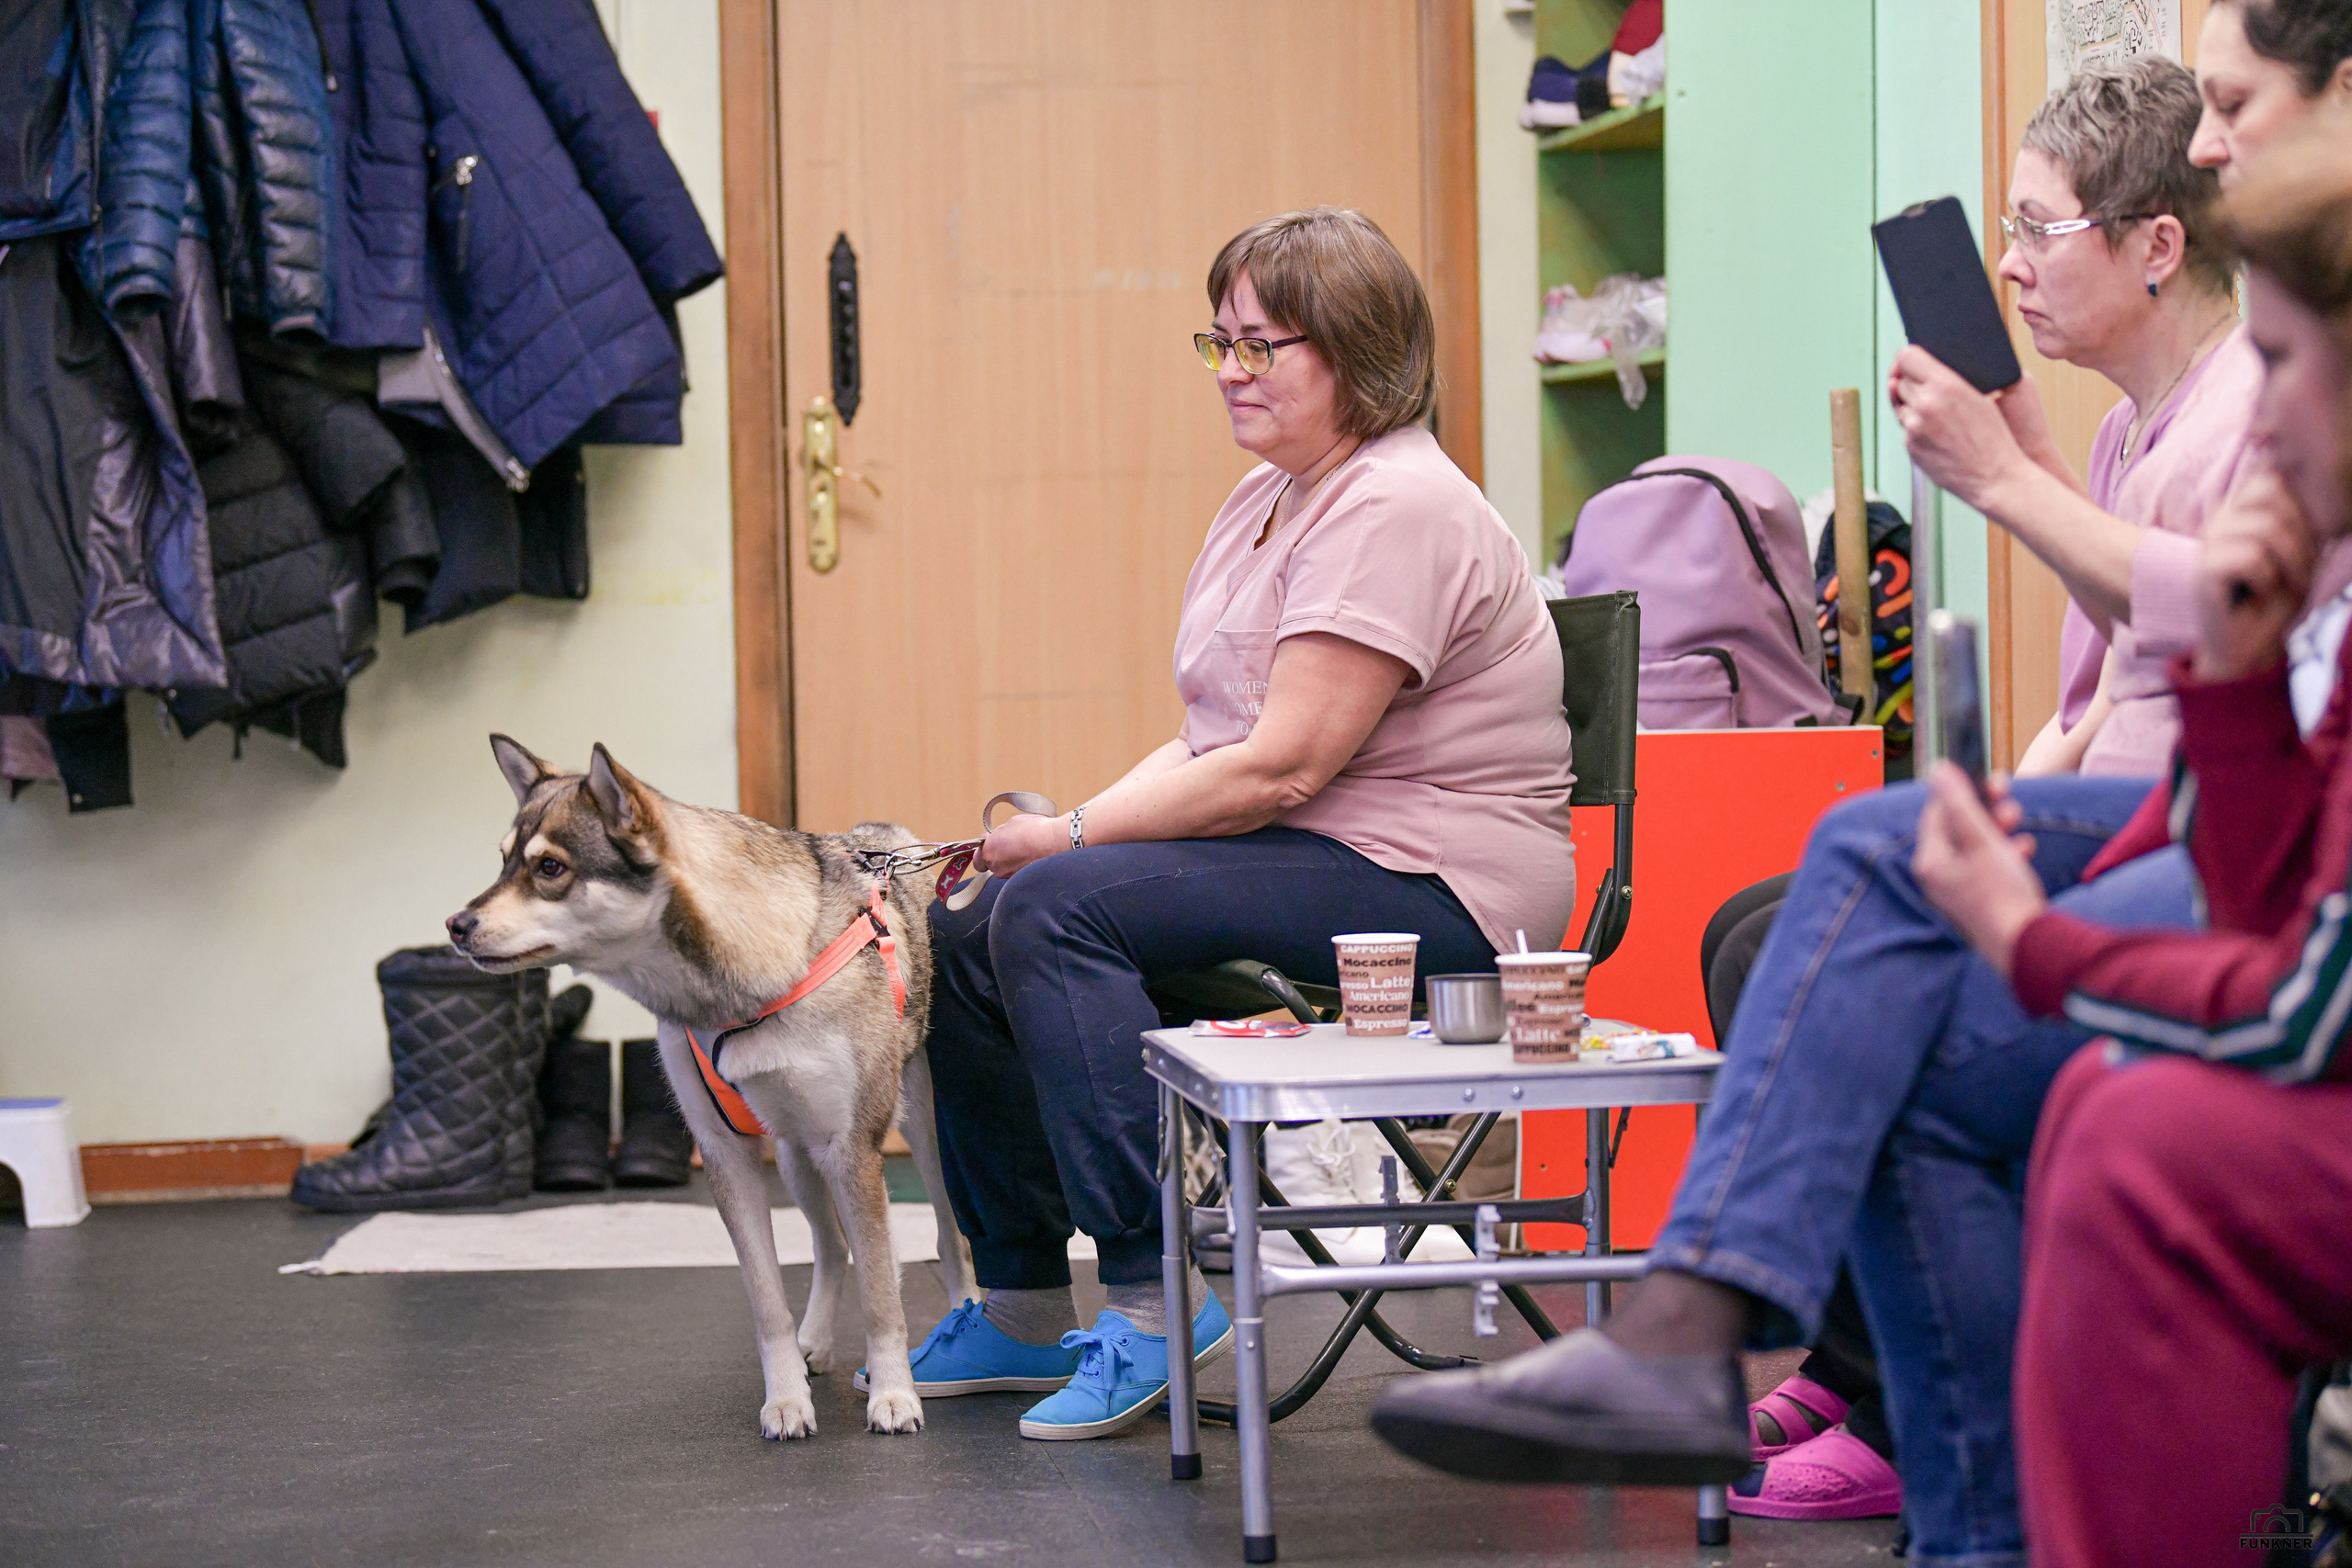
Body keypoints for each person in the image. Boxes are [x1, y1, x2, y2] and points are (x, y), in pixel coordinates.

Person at [1364, 58, 2275, 1568]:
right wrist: (2031, 491)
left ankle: (1758, 1352)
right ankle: (1865, 1408)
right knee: (1774, 919)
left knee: (1845, 913)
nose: (2008, 264)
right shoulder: (2128, 433)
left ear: (2155, 244)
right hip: (2119, 835)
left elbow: (2228, 640)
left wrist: (2002, 487)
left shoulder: (2260, 405)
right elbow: (2102, 697)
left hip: (2184, 860)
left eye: (2037, 229)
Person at [905, 207, 1576, 1442]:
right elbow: (1216, 737)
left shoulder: (1397, 505)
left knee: (1056, 909)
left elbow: (1282, 766)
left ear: (1360, 355)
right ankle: (1018, 1295)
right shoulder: (1269, 499)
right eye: (1218, 341)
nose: (1230, 371)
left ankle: (1163, 1308)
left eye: (1264, 347)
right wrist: (1077, 826)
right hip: (1326, 844)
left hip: (1442, 881)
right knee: (976, 919)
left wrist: (1076, 843)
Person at [1916, 108, 2352, 1568]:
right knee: (2097, 1095)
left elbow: (2300, 989)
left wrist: (2043, 946)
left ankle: (1728, 1311)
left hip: (2296, 1013)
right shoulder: (2135, 444)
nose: (2263, 417)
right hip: (2226, 899)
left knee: (2124, 1125)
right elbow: (2270, 880)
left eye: (2286, 370)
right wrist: (2232, 670)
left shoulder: (2217, 440)